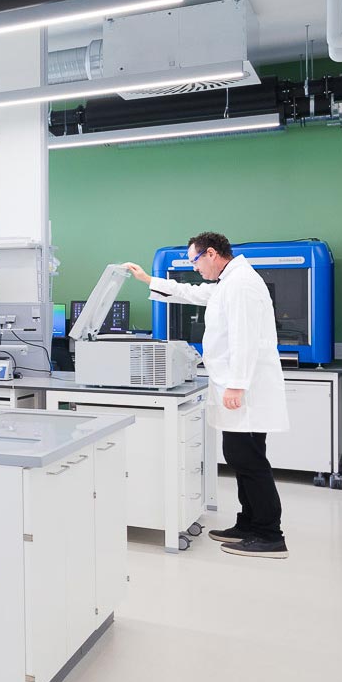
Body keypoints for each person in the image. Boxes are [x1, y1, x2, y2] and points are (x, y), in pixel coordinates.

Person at [122, 232, 291, 559]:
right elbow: (194, 292)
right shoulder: (229, 282)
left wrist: (238, 384)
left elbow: (245, 339)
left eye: (195, 260)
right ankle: (248, 524)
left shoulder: (240, 284)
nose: (194, 267)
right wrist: (148, 279)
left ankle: (270, 534)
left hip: (245, 389)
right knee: (242, 458)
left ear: (211, 254)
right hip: (237, 385)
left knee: (249, 460)